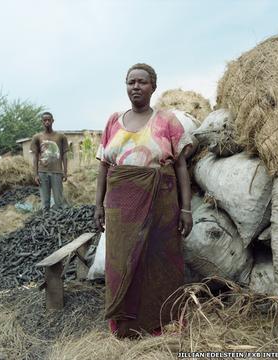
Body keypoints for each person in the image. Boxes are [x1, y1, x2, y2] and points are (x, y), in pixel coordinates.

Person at [94, 63, 193, 338]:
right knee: (121, 261)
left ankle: (162, 322)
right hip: (119, 206)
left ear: (153, 87)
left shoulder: (167, 120)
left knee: (160, 259)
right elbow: (103, 167)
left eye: (142, 82)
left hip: (161, 203)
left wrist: (186, 209)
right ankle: (125, 325)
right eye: (130, 82)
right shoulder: (113, 121)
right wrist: (97, 205)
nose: (136, 87)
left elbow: (181, 167)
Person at [31, 112, 69, 211]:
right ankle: (45, 221)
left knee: (58, 202)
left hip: (57, 172)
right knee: (45, 203)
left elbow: (65, 155)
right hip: (42, 172)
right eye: (45, 120)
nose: (47, 122)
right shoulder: (37, 137)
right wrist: (35, 174)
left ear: (52, 121)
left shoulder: (61, 137)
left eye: (49, 120)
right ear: (42, 122)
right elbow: (35, 156)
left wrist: (65, 172)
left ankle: (59, 222)